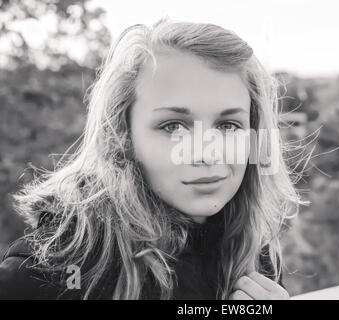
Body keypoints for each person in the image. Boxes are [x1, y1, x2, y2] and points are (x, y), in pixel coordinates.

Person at [0, 17, 307, 300]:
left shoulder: (253, 252)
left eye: (228, 126)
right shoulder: (49, 273)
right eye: (173, 126)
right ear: (122, 136)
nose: (206, 153)